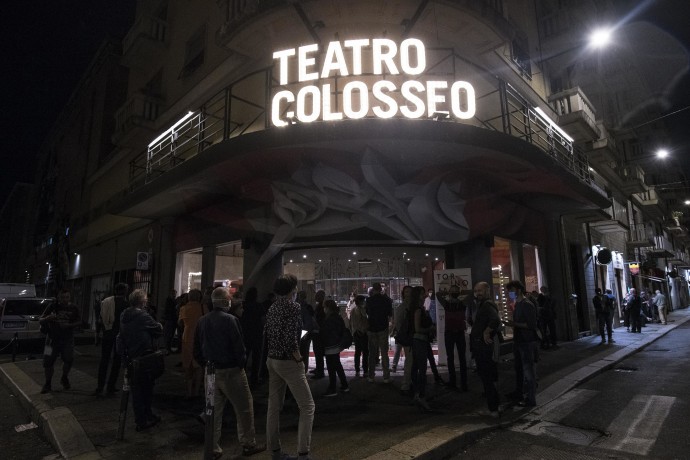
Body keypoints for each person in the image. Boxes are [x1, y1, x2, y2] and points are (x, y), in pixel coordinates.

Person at [193, 287, 265, 458]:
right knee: (244, 408)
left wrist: (205, 364)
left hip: (210, 371)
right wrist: (241, 364)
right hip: (231, 370)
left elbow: (196, 349)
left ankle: (212, 448)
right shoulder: (231, 320)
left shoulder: (202, 321)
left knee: (213, 412)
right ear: (226, 302)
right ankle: (248, 443)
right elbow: (239, 347)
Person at [264, 274, 315, 460]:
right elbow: (290, 340)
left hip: (272, 359)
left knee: (274, 406)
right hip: (288, 361)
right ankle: (303, 453)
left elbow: (268, 333)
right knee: (308, 406)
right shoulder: (293, 307)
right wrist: (298, 358)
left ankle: (275, 451)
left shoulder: (272, 308)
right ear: (292, 289)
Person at [118, 289, 163, 432]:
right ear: (142, 301)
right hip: (145, 358)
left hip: (131, 357)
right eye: (145, 300)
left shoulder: (124, 315)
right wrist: (159, 325)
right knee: (145, 390)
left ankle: (145, 415)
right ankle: (142, 420)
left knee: (138, 390)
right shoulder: (143, 316)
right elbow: (158, 329)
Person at [39, 288, 82, 393]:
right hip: (51, 340)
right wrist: (47, 318)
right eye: (62, 297)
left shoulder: (74, 308)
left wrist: (69, 325)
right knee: (47, 362)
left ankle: (64, 377)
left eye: (67, 297)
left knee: (69, 360)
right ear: (59, 297)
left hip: (67, 340)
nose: (65, 299)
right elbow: (40, 319)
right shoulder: (52, 306)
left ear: (70, 297)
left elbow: (79, 321)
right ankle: (47, 383)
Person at [469, 282, 501, 418]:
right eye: (476, 291)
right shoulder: (481, 305)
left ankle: (493, 408)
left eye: (480, 290)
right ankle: (495, 405)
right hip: (480, 346)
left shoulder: (487, 305)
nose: (477, 293)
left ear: (487, 290)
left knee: (487, 377)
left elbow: (495, 320)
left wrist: (487, 332)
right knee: (488, 377)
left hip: (483, 347)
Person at [505, 280, 538, 408]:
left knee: (528, 371)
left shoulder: (527, 304)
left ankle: (530, 399)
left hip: (526, 341)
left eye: (511, 290)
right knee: (518, 368)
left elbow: (531, 325)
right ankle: (519, 393)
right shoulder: (518, 304)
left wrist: (513, 324)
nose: (510, 293)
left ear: (518, 290)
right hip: (518, 341)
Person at [93, 282, 128, 396]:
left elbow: (100, 319)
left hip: (107, 333)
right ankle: (111, 386)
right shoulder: (126, 304)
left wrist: (98, 334)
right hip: (119, 335)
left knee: (104, 360)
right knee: (116, 361)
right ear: (125, 291)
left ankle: (100, 387)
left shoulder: (106, 302)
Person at [436, 285, 467, 391]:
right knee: (457, 358)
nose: (454, 293)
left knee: (453, 358)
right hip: (455, 332)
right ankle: (461, 383)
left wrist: (449, 292)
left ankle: (455, 382)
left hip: (453, 333)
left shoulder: (449, 304)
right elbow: (437, 294)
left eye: (455, 291)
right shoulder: (459, 304)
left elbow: (438, 294)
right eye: (453, 291)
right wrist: (458, 292)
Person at [178, 289, 209, 397]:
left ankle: (189, 391)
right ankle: (196, 391)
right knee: (199, 365)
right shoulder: (203, 307)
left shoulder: (183, 308)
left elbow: (180, 324)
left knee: (187, 365)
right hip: (199, 337)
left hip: (187, 337)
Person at [410, 286, 434, 410]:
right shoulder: (418, 310)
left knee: (416, 368)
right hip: (420, 340)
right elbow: (418, 328)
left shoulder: (420, 308)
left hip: (420, 341)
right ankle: (421, 394)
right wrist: (429, 329)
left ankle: (417, 393)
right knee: (422, 369)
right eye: (422, 293)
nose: (424, 295)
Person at [365, 282, 393, 383]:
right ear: (380, 289)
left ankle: (371, 376)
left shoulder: (369, 300)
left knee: (372, 353)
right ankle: (386, 376)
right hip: (383, 327)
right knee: (384, 353)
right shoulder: (386, 300)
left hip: (372, 327)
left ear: (373, 289)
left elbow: (367, 312)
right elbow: (389, 313)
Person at [321, 299, 349, 397]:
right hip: (336, 345)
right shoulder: (338, 316)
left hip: (330, 345)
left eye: (325, 307)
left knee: (331, 367)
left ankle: (332, 388)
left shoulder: (330, 318)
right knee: (337, 365)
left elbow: (327, 332)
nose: (324, 309)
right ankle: (344, 385)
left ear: (328, 308)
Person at [241, 287, 265, 387]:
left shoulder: (244, 305)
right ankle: (254, 379)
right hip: (257, 334)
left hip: (246, 333)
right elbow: (263, 319)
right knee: (257, 358)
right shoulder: (259, 306)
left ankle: (241, 378)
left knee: (244, 357)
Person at [392, 285, 412, 374]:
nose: (409, 294)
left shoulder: (414, 305)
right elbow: (397, 321)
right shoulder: (402, 307)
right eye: (407, 292)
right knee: (402, 352)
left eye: (410, 292)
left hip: (411, 334)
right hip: (404, 334)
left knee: (409, 356)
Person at [349, 294, 369, 378]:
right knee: (365, 352)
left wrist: (353, 331)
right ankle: (365, 370)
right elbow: (364, 320)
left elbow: (351, 322)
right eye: (363, 300)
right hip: (362, 332)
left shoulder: (353, 309)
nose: (365, 302)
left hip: (355, 333)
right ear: (361, 301)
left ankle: (357, 370)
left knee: (357, 352)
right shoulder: (361, 310)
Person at [297, 290, 316, 374]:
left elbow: (307, 322)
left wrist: (303, 333)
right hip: (305, 332)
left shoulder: (300, 307)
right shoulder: (307, 307)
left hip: (303, 333)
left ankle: (302, 370)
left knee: (302, 352)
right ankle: (303, 369)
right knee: (304, 352)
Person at [310, 290, 326, 380]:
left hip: (318, 332)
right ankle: (318, 369)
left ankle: (320, 371)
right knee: (317, 352)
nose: (315, 297)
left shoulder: (321, 307)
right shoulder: (320, 306)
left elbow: (319, 319)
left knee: (318, 352)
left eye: (317, 295)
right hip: (317, 331)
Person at [162, 289, 178, 354]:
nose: (174, 295)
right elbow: (169, 310)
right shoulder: (169, 300)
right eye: (174, 293)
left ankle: (168, 348)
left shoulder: (172, 300)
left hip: (172, 320)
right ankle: (167, 349)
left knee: (170, 335)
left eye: (175, 294)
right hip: (170, 319)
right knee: (168, 335)